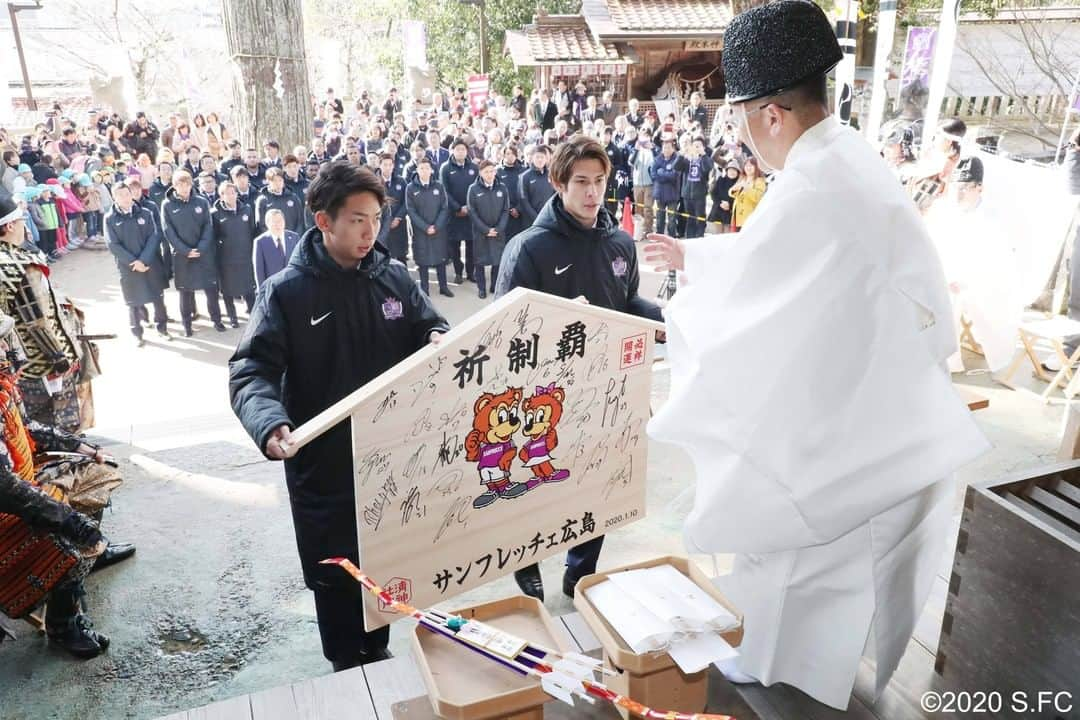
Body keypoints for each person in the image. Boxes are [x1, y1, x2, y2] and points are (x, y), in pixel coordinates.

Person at [642, 0, 988, 709]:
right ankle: (782, 665)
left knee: (799, 551)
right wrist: (696, 254)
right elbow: (778, 265)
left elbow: (754, 302)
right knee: (817, 582)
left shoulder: (813, 185)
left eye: (741, 117)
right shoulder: (845, 155)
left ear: (771, 114)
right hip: (881, 414)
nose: (741, 135)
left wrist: (672, 316)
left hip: (853, 439)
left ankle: (778, 674)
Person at [229, 160, 450, 672]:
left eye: (376, 218)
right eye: (356, 219)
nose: (369, 230)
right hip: (323, 464)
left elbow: (428, 326)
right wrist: (270, 422)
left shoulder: (393, 278)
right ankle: (345, 663)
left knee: (388, 559)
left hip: (392, 454)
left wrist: (436, 336)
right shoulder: (286, 292)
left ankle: (378, 645)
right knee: (336, 572)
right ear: (323, 221)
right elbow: (251, 370)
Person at [495, 135, 662, 601]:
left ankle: (580, 571)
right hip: (541, 396)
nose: (593, 193)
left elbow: (626, 302)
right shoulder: (529, 249)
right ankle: (525, 560)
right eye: (582, 182)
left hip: (606, 389)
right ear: (558, 183)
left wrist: (664, 320)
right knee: (533, 481)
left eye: (600, 182)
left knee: (598, 485)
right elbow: (505, 329)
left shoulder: (620, 243)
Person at [104, 183, 170, 346]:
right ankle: (137, 334)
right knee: (133, 302)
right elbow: (113, 244)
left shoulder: (145, 213)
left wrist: (144, 260)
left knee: (157, 298)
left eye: (127, 194)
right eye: (120, 195)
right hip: (129, 267)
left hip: (150, 263)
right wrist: (134, 262)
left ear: (131, 195)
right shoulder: (109, 218)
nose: (125, 198)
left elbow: (153, 237)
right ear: (114, 198)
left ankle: (162, 328)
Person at [161, 170, 225, 336]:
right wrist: (186, 250)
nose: (184, 187)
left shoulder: (201, 202)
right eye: (180, 184)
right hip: (182, 256)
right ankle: (187, 325)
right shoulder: (167, 205)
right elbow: (168, 230)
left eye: (187, 184)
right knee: (185, 292)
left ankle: (217, 320)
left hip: (204, 254)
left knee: (211, 289)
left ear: (191, 184)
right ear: (174, 186)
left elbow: (208, 226)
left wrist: (201, 248)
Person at [405, 157, 453, 298]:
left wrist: (436, 226)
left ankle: (443, 287)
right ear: (417, 170)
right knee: (422, 259)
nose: (424, 171)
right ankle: (424, 289)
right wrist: (425, 227)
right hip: (421, 230)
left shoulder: (439, 186)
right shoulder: (410, 188)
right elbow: (411, 210)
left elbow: (444, 208)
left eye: (427, 168)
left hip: (438, 229)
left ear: (431, 170)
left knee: (441, 258)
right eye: (421, 168)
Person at [213, 181, 258, 327]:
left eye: (233, 192)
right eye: (227, 193)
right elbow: (214, 236)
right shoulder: (214, 213)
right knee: (228, 289)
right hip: (226, 258)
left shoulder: (247, 210)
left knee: (248, 287)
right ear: (221, 196)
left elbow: (252, 231)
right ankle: (233, 318)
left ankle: (253, 314)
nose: (231, 196)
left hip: (245, 255)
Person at [466, 160, 509, 299]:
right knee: (480, 261)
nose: (490, 174)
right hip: (481, 232)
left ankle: (493, 286)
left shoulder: (502, 188)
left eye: (492, 171)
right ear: (480, 173)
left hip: (498, 232)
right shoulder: (473, 189)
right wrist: (485, 230)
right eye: (486, 172)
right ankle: (481, 288)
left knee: (497, 260)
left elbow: (505, 210)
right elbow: (472, 212)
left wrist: (499, 228)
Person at [439, 139, 478, 284]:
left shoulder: (474, 167)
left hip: (470, 213)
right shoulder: (446, 168)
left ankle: (470, 272)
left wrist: (468, 207)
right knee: (454, 246)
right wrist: (457, 208)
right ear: (452, 151)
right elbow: (444, 191)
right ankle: (458, 272)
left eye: (463, 149)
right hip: (453, 214)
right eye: (458, 149)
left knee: (471, 245)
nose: (460, 152)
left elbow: (477, 189)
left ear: (467, 151)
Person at [252, 208, 300, 287]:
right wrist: (263, 292)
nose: (277, 224)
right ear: (267, 224)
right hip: (273, 288)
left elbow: (299, 263)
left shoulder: (294, 237)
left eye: (280, 221)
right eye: (274, 222)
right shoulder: (260, 242)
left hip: (293, 286)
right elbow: (259, 271)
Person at [375, 154, 409, 264]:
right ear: (380, 165)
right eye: (385, 165)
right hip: (382, 224)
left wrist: (398, 217)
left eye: (390, 165)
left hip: (398, 224)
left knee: (401, 255)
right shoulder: (374, 182)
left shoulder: (401, 181)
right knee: (384, 256)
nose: (388, 167)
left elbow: (406, 202)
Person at [651, 136, 685, 237]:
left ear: (673, 148)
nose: (666, 150)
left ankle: (671, 237)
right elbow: (653, 175)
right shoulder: (657, 159)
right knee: (659, 217)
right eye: (664, 148)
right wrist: (665, 175)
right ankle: (659, 236)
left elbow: (674, 175)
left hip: (672, 194)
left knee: (672, 218)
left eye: (668, 147)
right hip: (659, 193)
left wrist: (661, 173)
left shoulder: (677, 159)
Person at [680, 136, 713, 239]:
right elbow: (676, 167)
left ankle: (699, 237)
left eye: (698, 146)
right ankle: (690, 238)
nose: (696, 148)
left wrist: (702, 154)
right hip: (687, 194)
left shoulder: (706, 159)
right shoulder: (687, 159)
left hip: (699, 194)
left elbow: (707, 168)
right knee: (689, 218)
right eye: (694, 146)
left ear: (703, 147)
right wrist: (682, 154)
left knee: (700, 218)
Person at [255, 167, 303, 233]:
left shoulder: (293, 197)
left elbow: (300, 221)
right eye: (274, 181)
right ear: (268, 181)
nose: (278, 183)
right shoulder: (262, 200)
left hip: (293, 240)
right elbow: (261, 225)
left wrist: (295, 237)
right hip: (272, 240)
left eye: (280, 180)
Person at [519, 145, 554, 227]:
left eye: (542, 157)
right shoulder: (524, 177)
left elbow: (554, 195)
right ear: (532, 158)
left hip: (549, 218)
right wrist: (537, 217)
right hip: (531, 221)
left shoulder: (551, 175)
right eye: (537, 157)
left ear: (546, 159)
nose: (540, 160)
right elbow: (524, 201)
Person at [496, 145, 526, 241]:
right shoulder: (497, 171)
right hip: (504, 213)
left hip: (521, 213)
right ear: (503, 155)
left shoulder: (523, 170)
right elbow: (496, 192)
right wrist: (509, 209)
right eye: (508, 153)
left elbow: (526, 193)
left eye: (513, 154)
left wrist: (518, 208)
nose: (510, 156)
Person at [729, 157, 766, 231]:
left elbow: (758, 197)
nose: (748, 168)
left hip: (749, 217)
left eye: (751, 166)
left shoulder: (760, 181)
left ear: (757, 167)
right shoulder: (743, 179)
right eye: (746, 165)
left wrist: (747, 188)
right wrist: (734, 189)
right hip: (737, 217)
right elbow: (731, 192)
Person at [708, 161, 740, 232]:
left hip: (730, 213)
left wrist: (729, 205)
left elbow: (739, 198)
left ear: (738, 172)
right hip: (718, 211)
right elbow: (713, 193)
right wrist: (720, 203)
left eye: (734, 170)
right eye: (730, 170)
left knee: (726, 235)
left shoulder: (739, 184)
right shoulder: (721, 180)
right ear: (727, 171)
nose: (732, 172)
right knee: (717, 234)